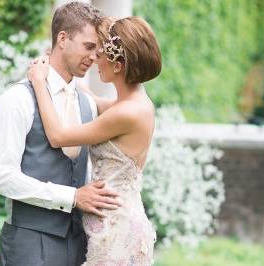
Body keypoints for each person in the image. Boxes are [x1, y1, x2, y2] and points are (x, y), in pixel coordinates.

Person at [0, 2, 122, 266]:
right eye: (88, 46)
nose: (95, 57)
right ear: (62, 38)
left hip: (79, 245)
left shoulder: (87, 103)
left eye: (98, 50)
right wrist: (73, 197)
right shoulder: (18, 99)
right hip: (28, 245)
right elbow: (4, 178)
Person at [27, 15, 162, 265]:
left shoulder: (126, 113)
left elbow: (57, 136)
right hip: (116, 222)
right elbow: (96, 103)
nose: (94, 60)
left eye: (100, 54)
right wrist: (64, 70)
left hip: (116, 233)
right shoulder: (133, 103)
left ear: (118, 65)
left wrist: (38, 83)